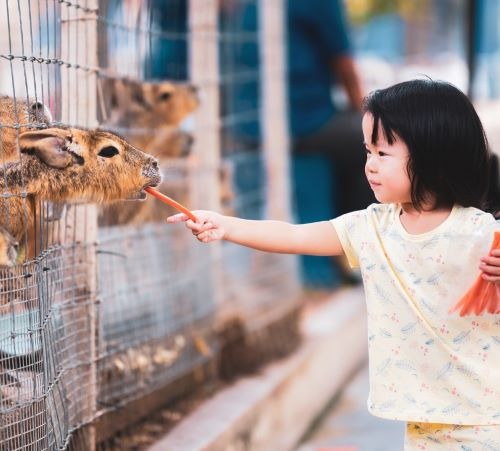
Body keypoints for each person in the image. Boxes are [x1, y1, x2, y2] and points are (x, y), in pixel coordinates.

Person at [167, 79, 500, 448]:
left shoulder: (481, 233)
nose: (369, 166)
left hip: (485, 417)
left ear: (434, 156)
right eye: (367, 151)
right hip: (422, 419)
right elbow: (295, 237)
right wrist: (226, 226)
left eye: (383, 154)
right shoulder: (372, 227)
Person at [287, 0, 375, 288]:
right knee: (374, 151)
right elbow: (344, 64)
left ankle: (344, 253)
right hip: (304, 121)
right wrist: (366, 118)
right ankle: (361, 250)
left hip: (253, 126)